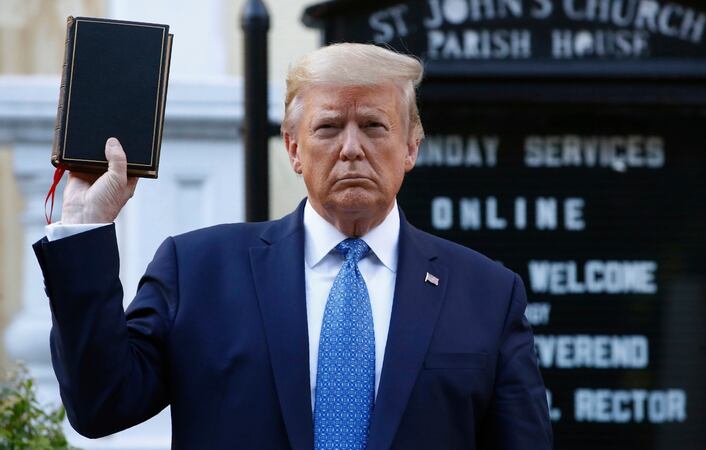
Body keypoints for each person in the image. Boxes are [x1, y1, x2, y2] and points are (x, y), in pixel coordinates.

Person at [33, 43, 552, 449]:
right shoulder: (199, 272)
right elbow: (101, 404)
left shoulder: (485, 293)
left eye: (374, 125)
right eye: (328, 127)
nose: (352, 148)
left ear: (411, 146)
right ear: (294, 148)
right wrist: (86, 227)